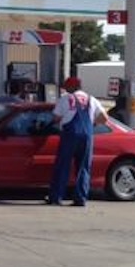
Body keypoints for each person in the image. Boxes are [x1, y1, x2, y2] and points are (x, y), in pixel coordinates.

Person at [47, 76, 108, 206]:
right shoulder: (92, 99)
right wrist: (93, 124)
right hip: (87, 136)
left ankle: (56, 197)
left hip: (70, 135)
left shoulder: (65, 98)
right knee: (84, 168)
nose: (66, 89)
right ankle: (80, 198)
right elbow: (104, 118)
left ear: (72, 87)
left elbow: (56, 118)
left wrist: (52, 124)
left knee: (63, 166)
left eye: (67, 86)